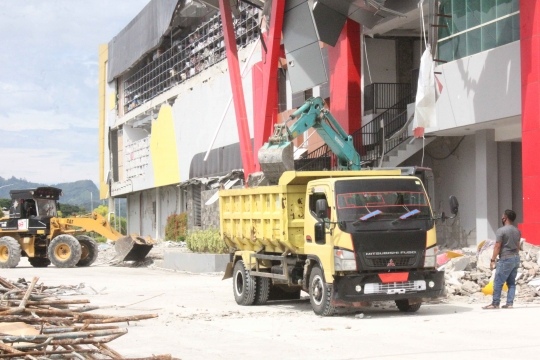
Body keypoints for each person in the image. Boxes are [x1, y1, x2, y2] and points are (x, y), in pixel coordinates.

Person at [483, 209, 521, 309]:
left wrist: (492, 259)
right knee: (511, 282)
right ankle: (509, 303)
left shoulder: (501, 231)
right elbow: (518, 246)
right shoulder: (517, 231)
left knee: (498, 281)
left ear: (504, 218)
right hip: (515, 258)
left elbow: (497, 246)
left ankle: (495, 303)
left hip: (505, 258)